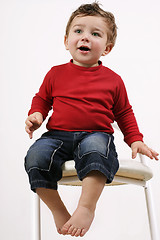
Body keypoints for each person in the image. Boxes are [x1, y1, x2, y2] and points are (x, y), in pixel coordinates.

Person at [24, 2, 159, 237]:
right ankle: (58, 210)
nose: (85, 37)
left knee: (97, 150)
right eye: (78, 31)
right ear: (66, 41)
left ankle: (86, 207)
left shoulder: (113, 80)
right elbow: (42, 100)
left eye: (95, 34)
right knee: (35, 157)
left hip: (96, 135)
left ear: (107, 48)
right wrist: (36, 115)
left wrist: (135, 139)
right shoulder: (55, 73)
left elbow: (124, 112)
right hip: (57, 137)